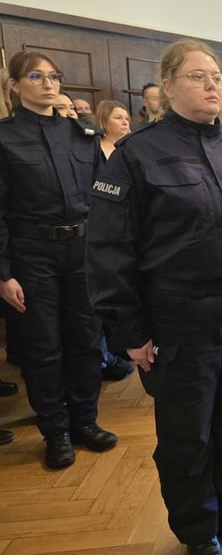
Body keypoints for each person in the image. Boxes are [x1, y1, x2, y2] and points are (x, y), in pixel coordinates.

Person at [86, 39, 222, 555]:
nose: (213, 85)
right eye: (198, 76)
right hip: (178, 316)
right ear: (167, 86)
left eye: (217, 76)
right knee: (187, 432)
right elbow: (109, 249)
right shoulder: (137, 155)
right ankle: (198, 531)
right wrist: (129, 331)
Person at [0, 51, 117, 470]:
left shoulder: (81, 134)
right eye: (36, 76)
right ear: (14, 85)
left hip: (82, 252)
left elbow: (101, 201)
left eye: (55, 76)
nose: (49, 84)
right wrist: (3, 273)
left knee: (86, 339)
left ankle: (85, 419)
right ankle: (55, 430)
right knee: (43, 346)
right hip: (33, 255)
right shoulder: (5, 137)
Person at [93, 100, 135, 381]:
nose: (125, 122)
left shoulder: (132, 150)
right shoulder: (94, 150)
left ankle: (119, 348)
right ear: (104, 121)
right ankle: (106, 355)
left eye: (127, 117)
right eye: (118, 118)